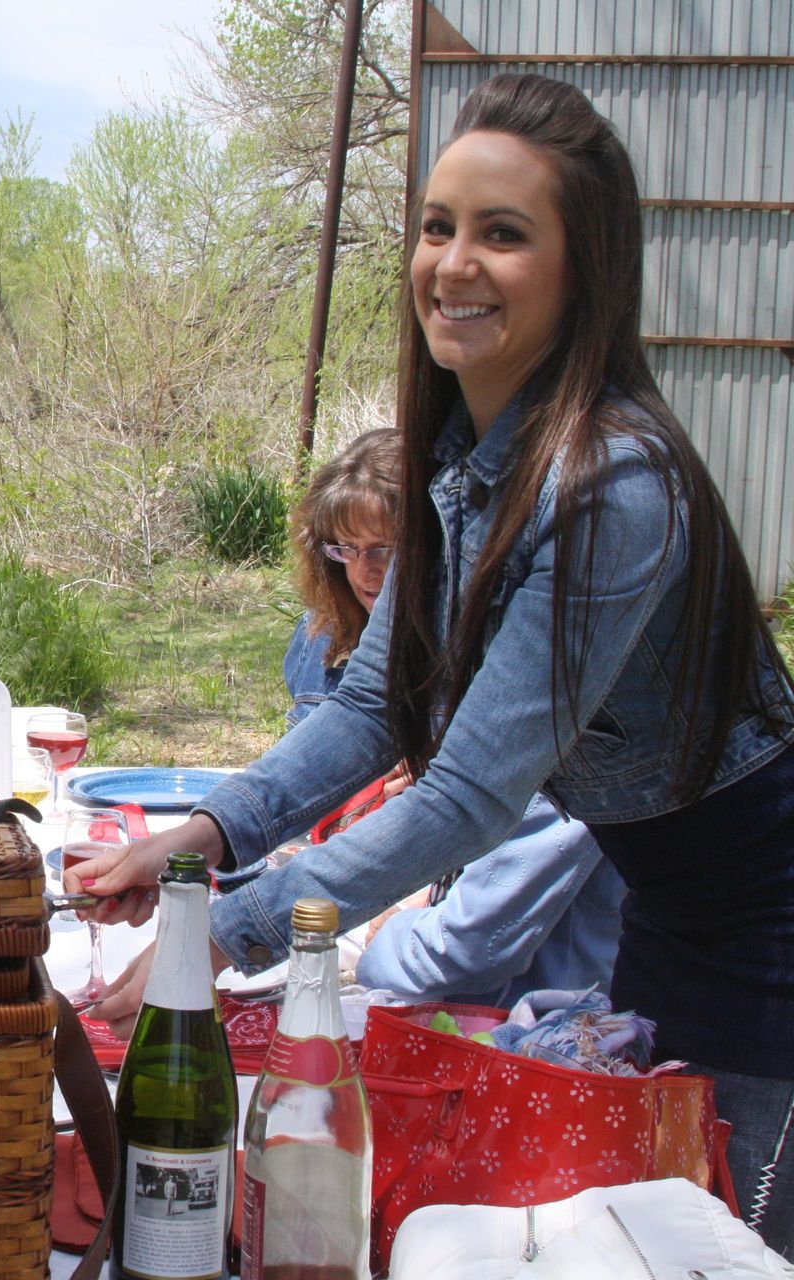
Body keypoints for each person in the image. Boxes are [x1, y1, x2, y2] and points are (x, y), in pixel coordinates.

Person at [73, 73, 794, 1247]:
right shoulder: (460, 455)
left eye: (503, 233)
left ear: (584, 268)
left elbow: (466, 792)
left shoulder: (615, 480)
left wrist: (233, 932)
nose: (453, 263)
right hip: (665, 908)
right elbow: (374, 705)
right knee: (656, 1217)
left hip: (767, 927)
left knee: (722, 1239)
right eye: (438, 225)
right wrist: (203, 842)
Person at [112, 429, 624, 1015]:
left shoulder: (550, 667)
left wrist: (238, 936)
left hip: (525, 1031)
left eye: (388, 549)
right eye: (345, 549)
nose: (367, 572)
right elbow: (363, 715)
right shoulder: (344, 636)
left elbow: (463, 937)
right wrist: (202, 838)